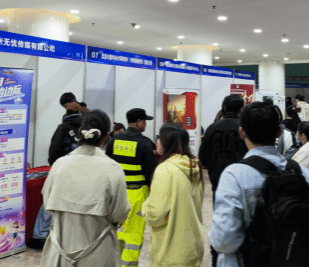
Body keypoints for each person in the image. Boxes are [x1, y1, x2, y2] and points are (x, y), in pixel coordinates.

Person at [209, 102, 309, 267]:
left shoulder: (234, 176)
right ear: (278, 132)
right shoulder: (303, 174)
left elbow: (224, 242)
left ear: (242, 132)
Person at [40, 109, 131, 267]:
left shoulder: (59, 165)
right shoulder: (113, 169)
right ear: (106, 137)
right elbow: (120, 212)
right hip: (98, 252)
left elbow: (48, 204)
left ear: (80, 132)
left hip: (60, 251)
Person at [142, 124, 204, 267]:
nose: (157, 142)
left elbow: (155, 214)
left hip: (170, 252)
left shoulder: (165, 169)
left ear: (168, 143)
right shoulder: (194, 166)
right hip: (193, 248)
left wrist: (145, 206)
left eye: (160, 138)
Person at [105, 108, 157, 267]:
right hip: (137, 195)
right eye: (145, 121)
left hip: (116, 193)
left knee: (115, 230)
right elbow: (151, 174)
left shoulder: (113, 141)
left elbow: (107, 166)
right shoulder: (145, 143)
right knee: (133, 234)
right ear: (139, 122)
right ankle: (128, 264)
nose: (145, 124)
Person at [199, 94, 246, 267]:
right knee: (242, 224)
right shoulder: (244, 128)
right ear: (241, 109)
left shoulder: (212, 128)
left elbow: (202, 157)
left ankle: (217, 260)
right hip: (242, 185)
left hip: (218, 184)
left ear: (223, 108)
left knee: (220, 223)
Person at [48, 101, 83, 165]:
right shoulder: (85, 127)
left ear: (67, 112)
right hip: (82, 164)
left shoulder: (63, 127)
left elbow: (55, 148)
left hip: (65, 165)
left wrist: (53, 163)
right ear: (79, 112)